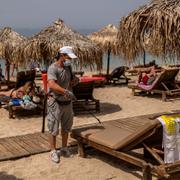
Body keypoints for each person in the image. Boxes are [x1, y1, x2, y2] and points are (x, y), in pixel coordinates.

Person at [47, 46, 78, 163]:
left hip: (67, 103)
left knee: (66, 127)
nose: (70, 59)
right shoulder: (52, 68)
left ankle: (64, 148)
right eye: (69, 56)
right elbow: (52, 85)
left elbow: (72, 79)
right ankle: (53, 151)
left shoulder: (68, 67)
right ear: (62, 56)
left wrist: (76, 80)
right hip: (55, 103)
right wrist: (65, 92)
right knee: (53, 128)